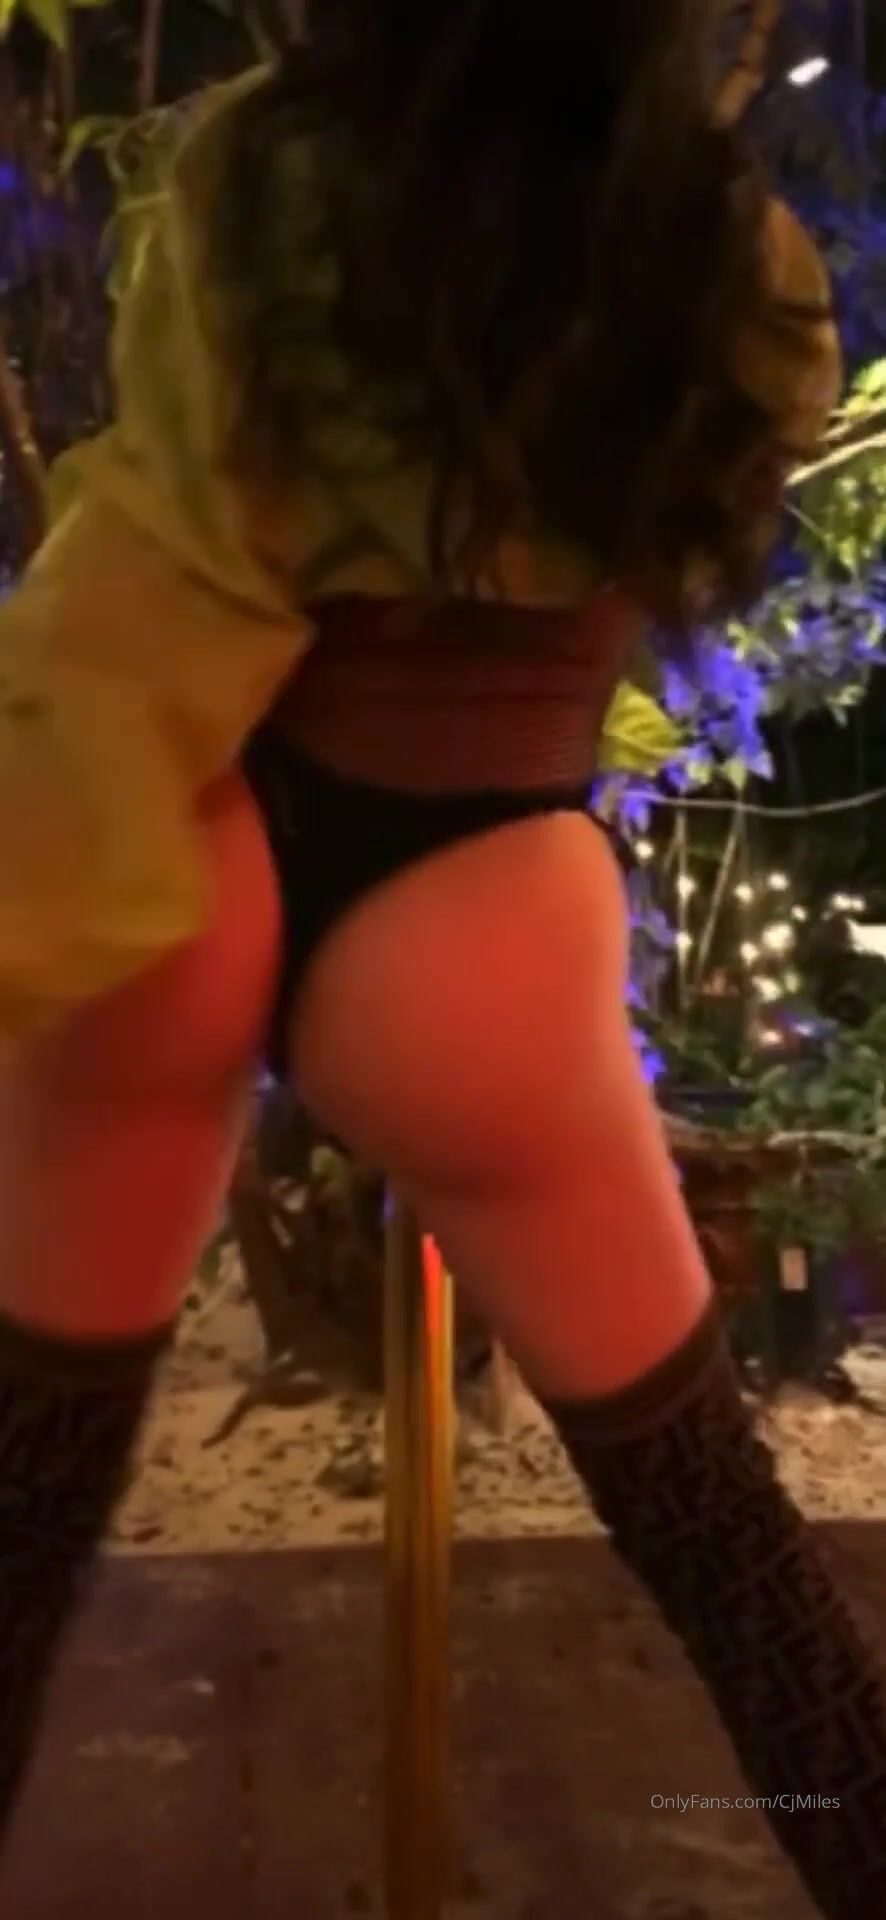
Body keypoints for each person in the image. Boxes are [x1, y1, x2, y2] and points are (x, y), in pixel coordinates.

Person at [0, 3, 883, 1910]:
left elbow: (172, 488)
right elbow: (723, 505)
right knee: (726, 1558)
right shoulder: (727, 257)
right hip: (478, 903)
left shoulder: (253, 167)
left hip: (185, 831)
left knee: (20, 1515)